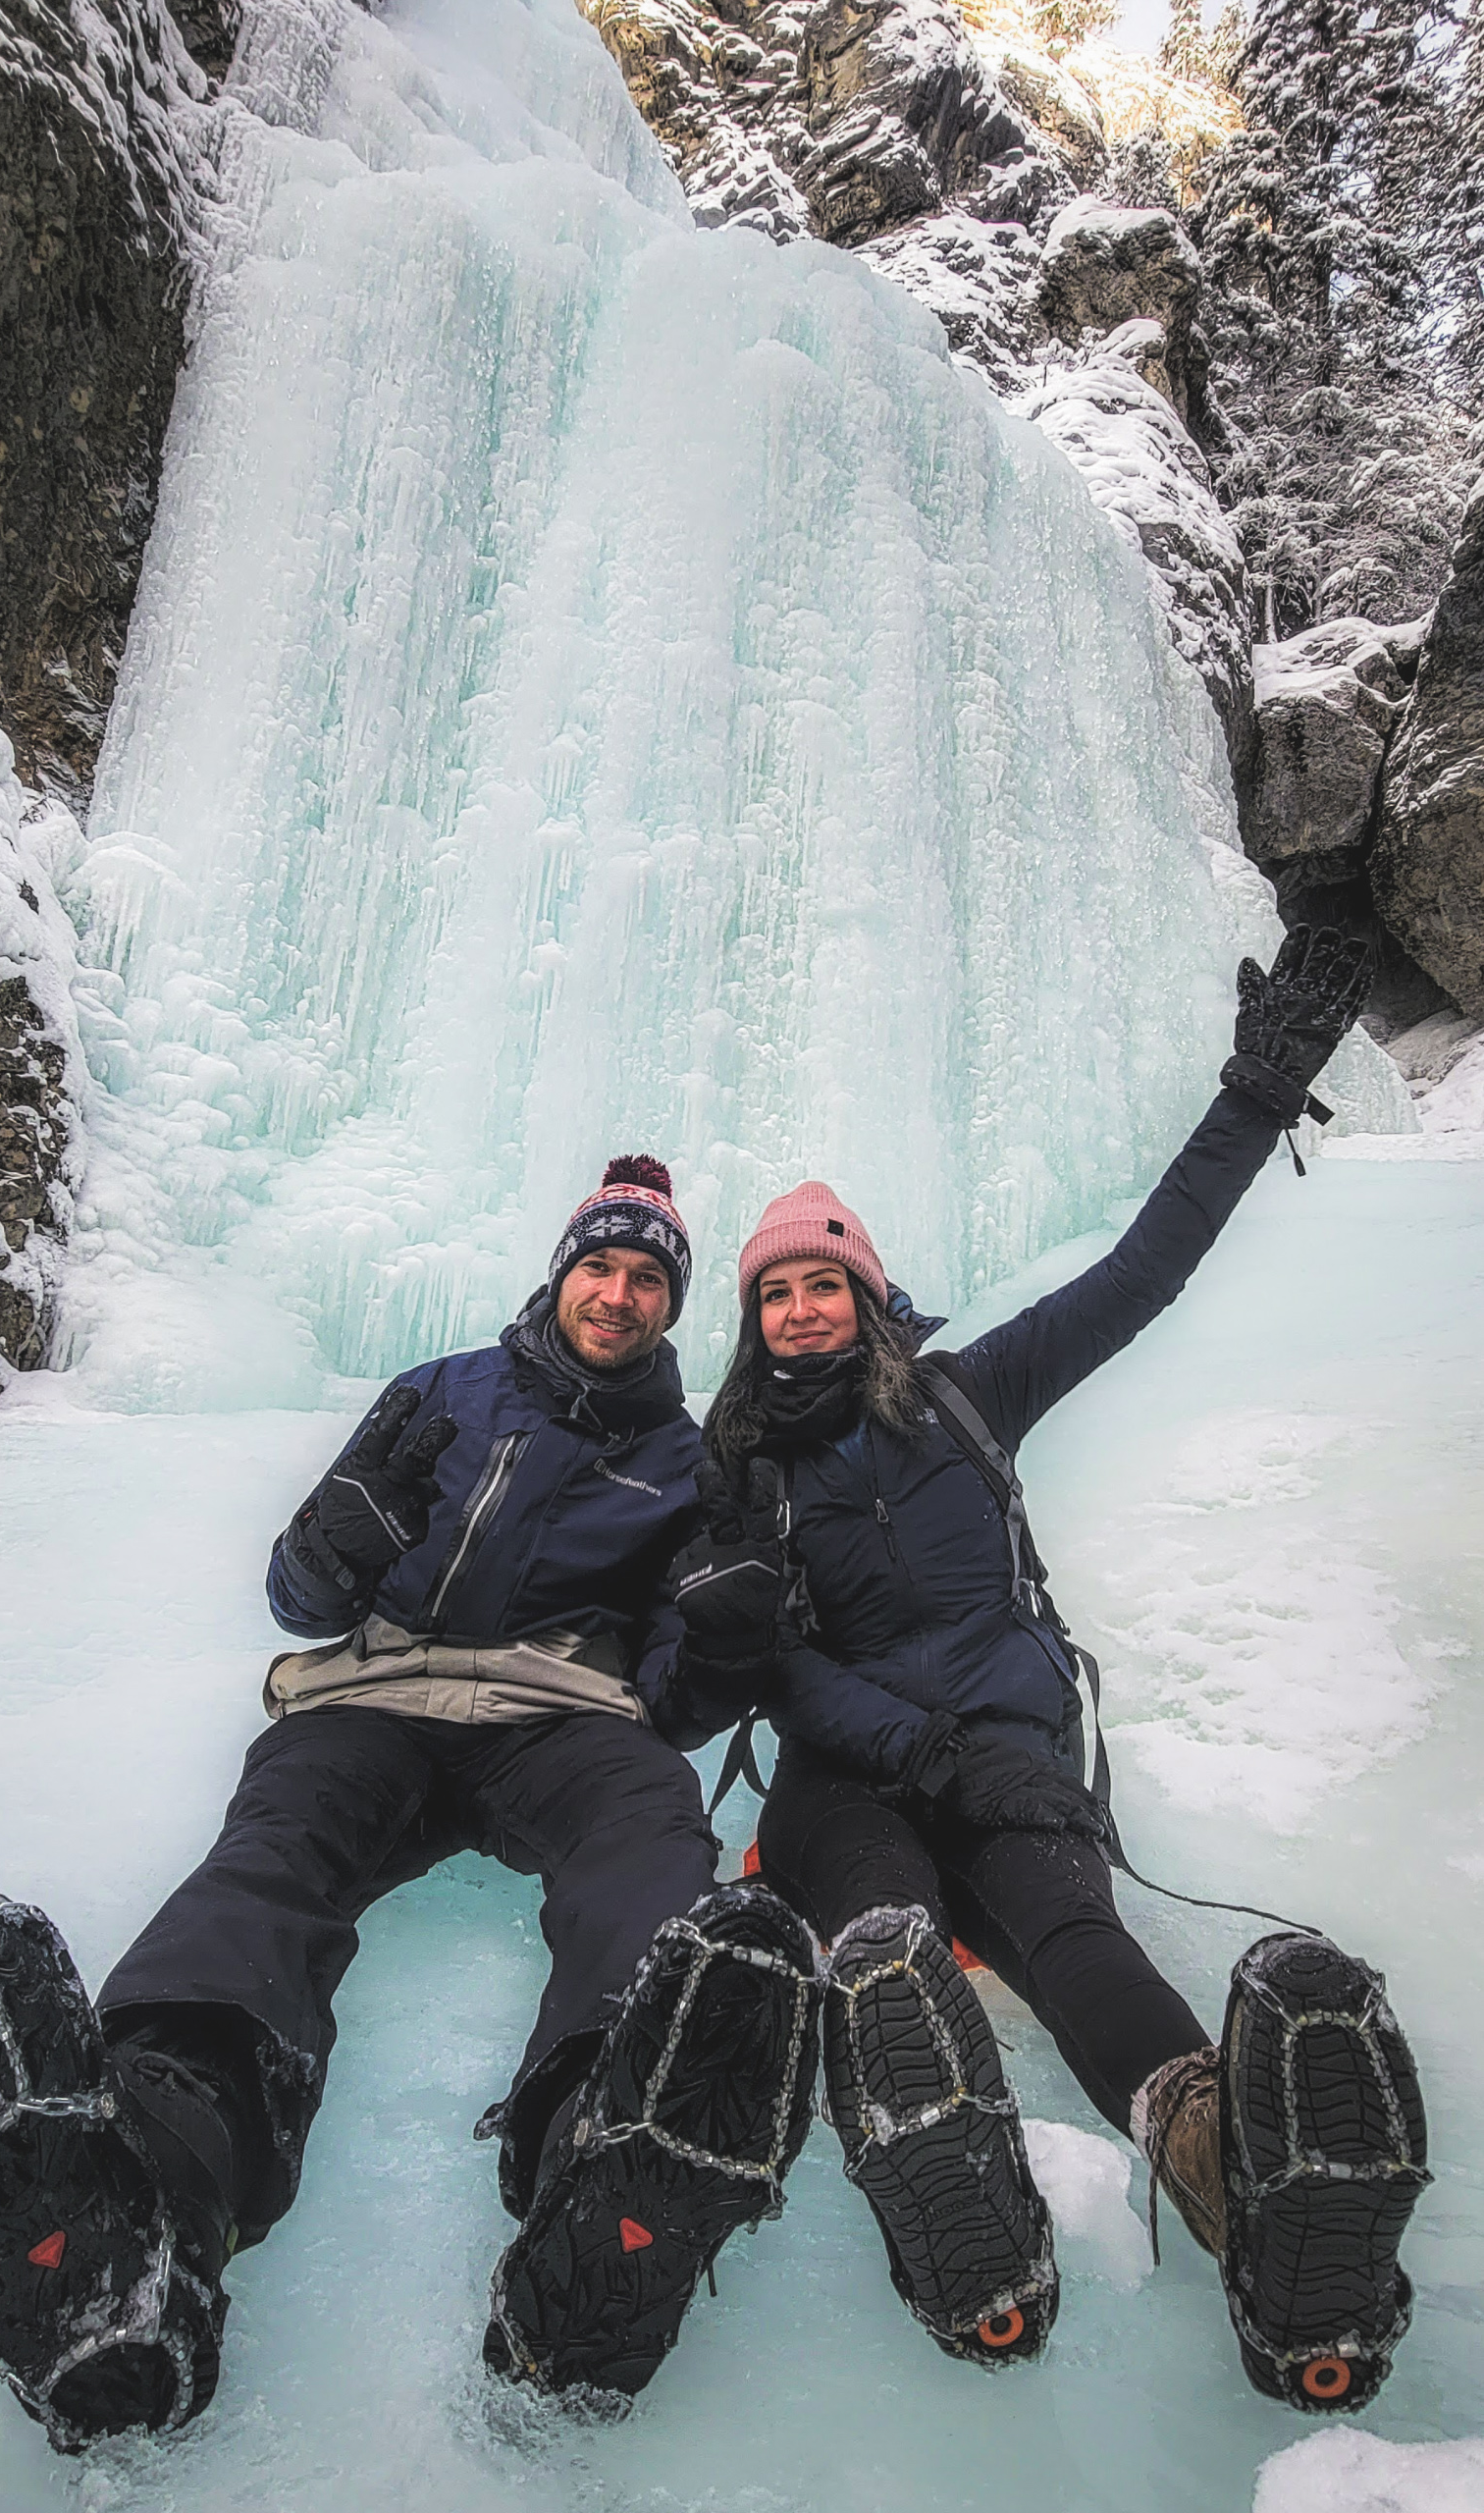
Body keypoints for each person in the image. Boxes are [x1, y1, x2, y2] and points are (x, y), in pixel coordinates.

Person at [0, 1156, 822, 2450]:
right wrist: (337, 1544)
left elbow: (675, 1704)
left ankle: (614, 2139)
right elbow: (303, 1600)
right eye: (603, 1264)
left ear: (670, 1305)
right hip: (384, 1689)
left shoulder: (690, 1462)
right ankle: (163, 2164)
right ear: (563, 1270)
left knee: (647, 1828)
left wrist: (725, 1641)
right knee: (276, 1853)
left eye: (649, 1278)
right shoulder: (438, 1395)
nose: (620, 1291)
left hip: (562, 1718)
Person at [678, 932, 1430, 2412]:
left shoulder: (971, 1395)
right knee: (884, 1931)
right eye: (779, 1296)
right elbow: (776, 1677)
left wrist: (1257, 1099)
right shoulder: (741, 1478)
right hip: (851, 1777)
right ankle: (955, 2187)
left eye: (828, 1284)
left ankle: (1228, 2174)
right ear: (754, 1323)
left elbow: (1147, 1264)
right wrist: (916, 1747)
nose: (805, 1311)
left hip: (1012, 1750)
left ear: (872, 1297)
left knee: (1071, 1936)